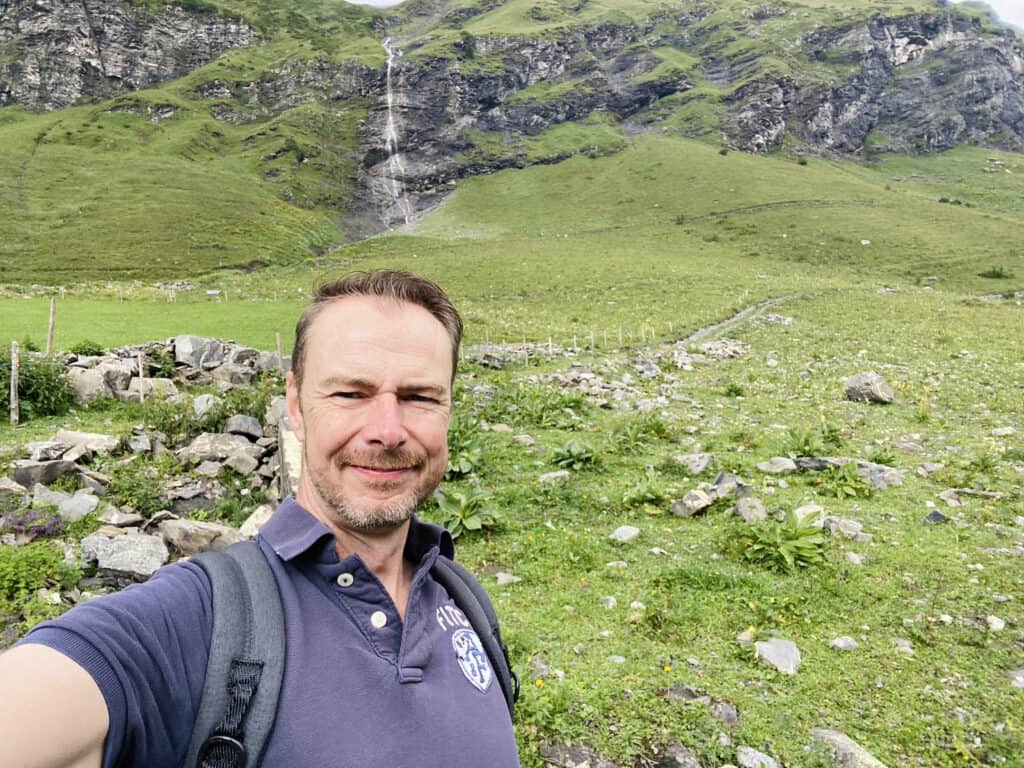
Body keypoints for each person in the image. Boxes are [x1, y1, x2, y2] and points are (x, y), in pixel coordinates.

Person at [0, 270, 520, 768]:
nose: (387, 430)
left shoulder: (462, 598)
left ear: (449, 408)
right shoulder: (198, 619)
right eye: (349, 394)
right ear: (294, 404)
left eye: (419, 397)